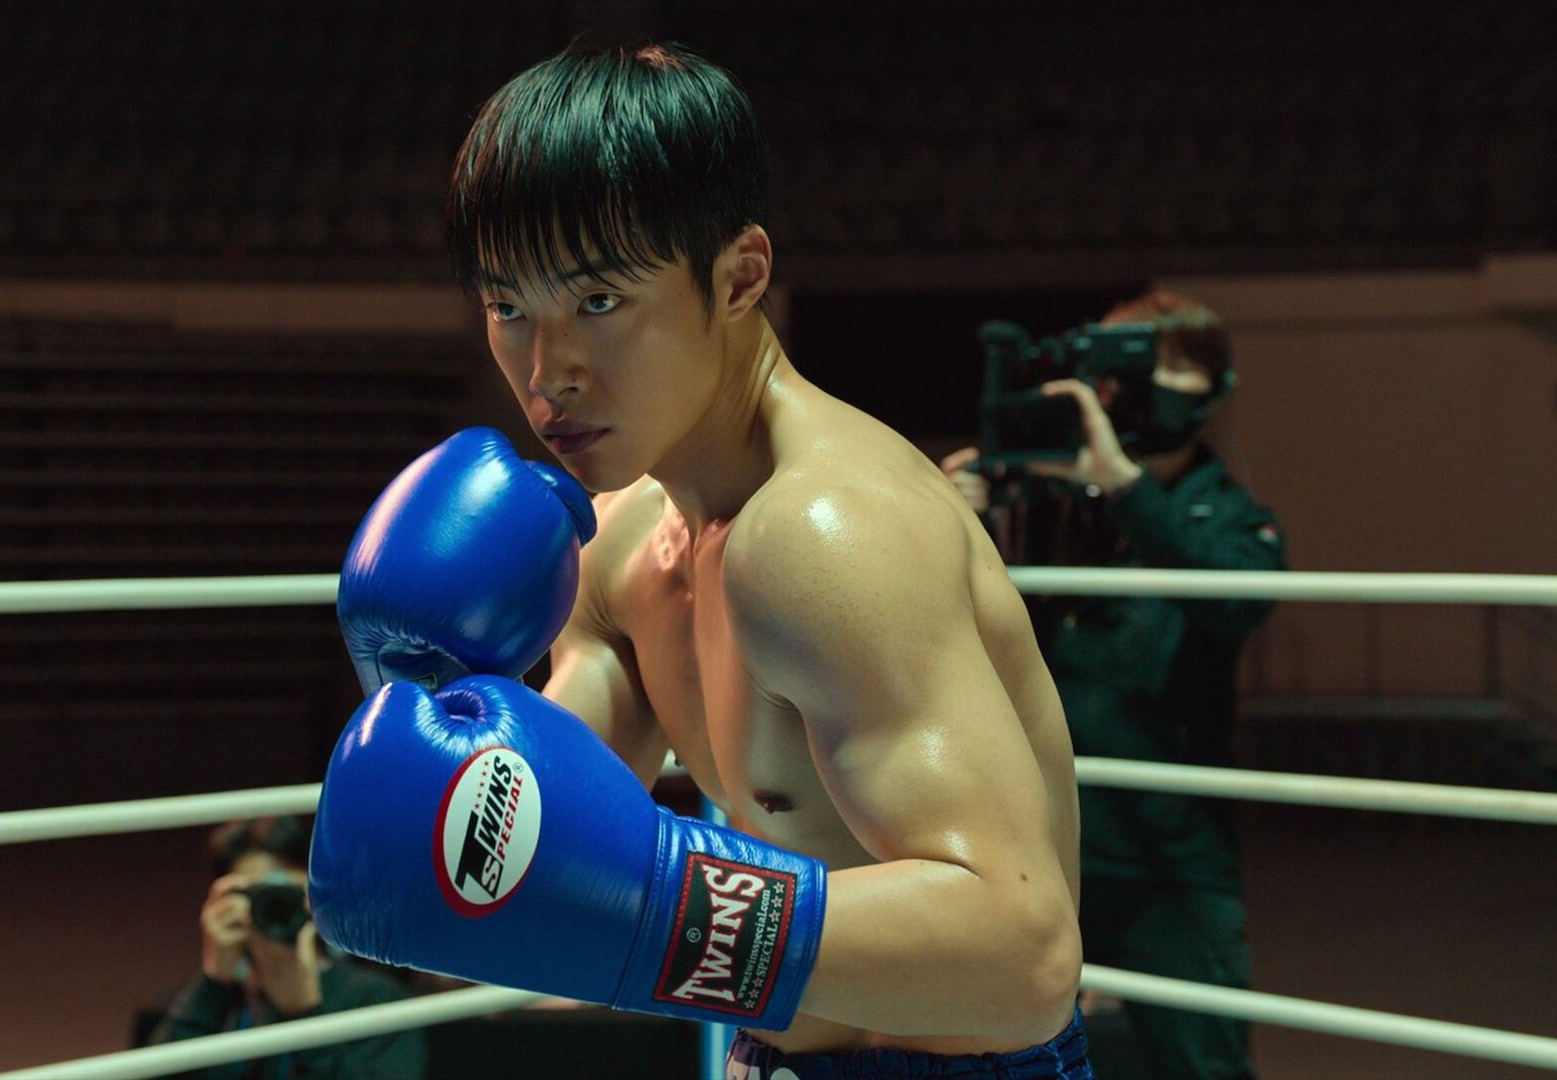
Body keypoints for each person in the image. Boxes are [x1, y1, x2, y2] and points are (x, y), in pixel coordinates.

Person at [308, 40, 1090, 1079]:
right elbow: (518, 865)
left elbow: (1023, 958)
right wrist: (426, 724)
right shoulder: (621, 548)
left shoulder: (828, 534)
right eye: (509, 309)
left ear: (739, 277)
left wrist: (664, 910)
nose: (549, 372)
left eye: (598, 301)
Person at [940, 290, 1285, 1080]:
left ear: (1215, 392)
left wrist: (1128, 487)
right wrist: (957, 522)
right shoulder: (1049, 504)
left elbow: (1242, 599)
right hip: (1039, 839)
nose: (1147, 387)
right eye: (1132, 365)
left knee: (1203, 1060)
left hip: (1170, 848)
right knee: (1011, 1055)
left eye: (1175, 369)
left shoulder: (1226, 512)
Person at [144, 816, 426, 1080]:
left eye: (284, 894)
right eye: (257, 896)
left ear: (315, 897)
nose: (273, 909)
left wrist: (305, 1014)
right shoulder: (212, 1002)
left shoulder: (376, 1002)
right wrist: (212, 984)